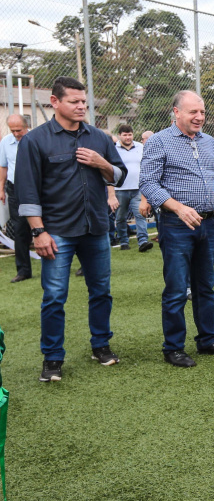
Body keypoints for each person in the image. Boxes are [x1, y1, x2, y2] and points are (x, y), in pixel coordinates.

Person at [16, 77, 128, 382]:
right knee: (54, 296)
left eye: (84, 102)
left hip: (96, 228)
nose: (81, 107)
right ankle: (52, 358)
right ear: (55, 102)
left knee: (101, 291)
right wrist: (39, 232)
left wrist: (101, 162)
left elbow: (118, 176)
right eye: (74, 102)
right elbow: (27, 192)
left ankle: (101, 345)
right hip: (57, 231)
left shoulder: (100, 138)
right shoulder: (34, 140)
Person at [140, 90, 214, 368]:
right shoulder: (159, 142)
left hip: (207, 224)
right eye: (193, 112)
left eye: (202, 112)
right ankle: (173, 347)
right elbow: (148, 183)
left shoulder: (210, 143)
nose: (199, 117)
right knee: (175, 288)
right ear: (176, 112)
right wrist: (178, 207)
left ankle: (208, 339)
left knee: (205, 286)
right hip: (176, 224)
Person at [0, 114, 33, 282]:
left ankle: (59, 265)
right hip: (14, 190)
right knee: (19, 231)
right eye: (12, 130)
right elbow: (3, 166)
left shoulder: (36, 139)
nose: (15, 134)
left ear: (26, 126)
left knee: (51, 227)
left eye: (18, 130)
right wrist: (1, 189)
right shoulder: (5, 142)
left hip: (36, 189)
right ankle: (23, 271)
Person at [113, 125, 152, 252]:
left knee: (140, 214)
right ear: (119, 135)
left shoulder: (140, 147)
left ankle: (143, 241)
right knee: (120, 217)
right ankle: (124, 241)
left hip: (138, 188)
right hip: (120, 189)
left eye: (129, 134)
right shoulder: (114, 149)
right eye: (124, 135)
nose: (128, 137)